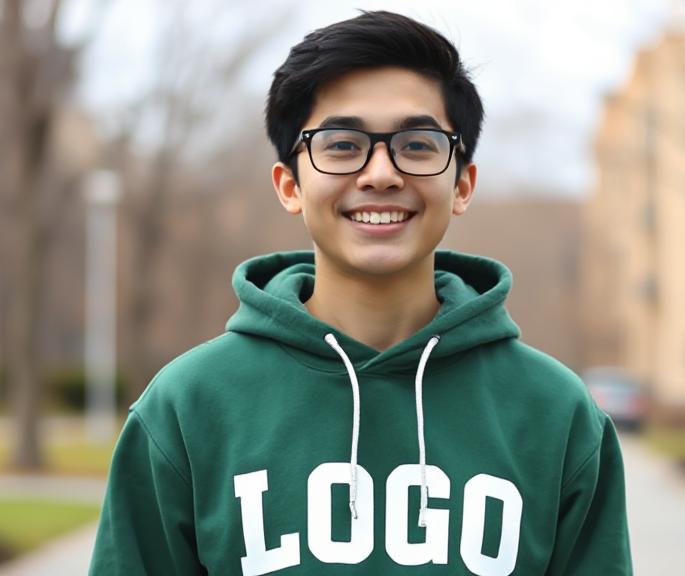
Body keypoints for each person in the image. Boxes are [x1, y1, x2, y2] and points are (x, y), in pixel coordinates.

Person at [89, 10, 632, 576]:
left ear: (463, 184)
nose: (380, 173)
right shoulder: (188, 406)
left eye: (418, 144)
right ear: (290, 186)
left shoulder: (555, 414)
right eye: (342, 144)